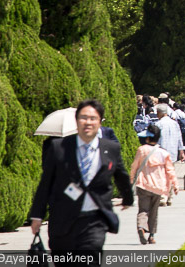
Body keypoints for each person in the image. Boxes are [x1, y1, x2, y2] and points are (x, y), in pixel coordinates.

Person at [29, 100, 134, 262]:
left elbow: (121, 175)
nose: (88, 122)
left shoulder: (110, 148)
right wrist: (37, 215)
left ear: (100, 122)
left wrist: (128, 197)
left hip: (94, 220)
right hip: (63, 218)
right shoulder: (59, 148)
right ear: (77, 121)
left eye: (93, 118)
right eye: (83, 118)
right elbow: (46, 184)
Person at [129, 123, 177, 244]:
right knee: (154, 211)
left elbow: (134, 166)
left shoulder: (142, 150)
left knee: (143, 209)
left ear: (147, 138)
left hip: (143, 184)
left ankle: (141, 227)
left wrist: (130, 180)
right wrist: (175, 184)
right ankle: (151, 235)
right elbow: (170, 170)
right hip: (158, 186)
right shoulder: (164, 153)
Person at [153, 104, 184, 206]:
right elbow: (179, 138)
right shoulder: (175, 123)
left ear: (159, 113)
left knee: (161, 175)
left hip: (161, 153)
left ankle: (163, 197)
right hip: (173, 153)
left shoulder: (158, 124)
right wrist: (181, 151)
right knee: (170, 175)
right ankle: (170, 197)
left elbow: (156, 139)